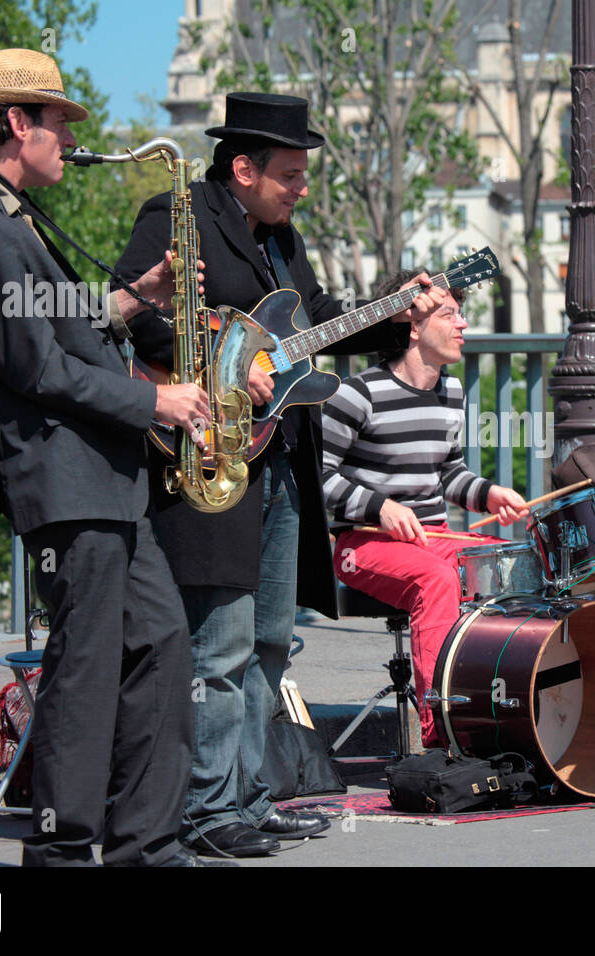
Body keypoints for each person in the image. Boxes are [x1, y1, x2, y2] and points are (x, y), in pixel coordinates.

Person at [115, 93, 446, 856]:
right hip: (210, 455)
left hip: (280, 459)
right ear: (243, 167)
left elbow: (317, 317)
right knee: (220, 646)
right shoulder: (177, 214)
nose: (302, 188)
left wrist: (401, 306)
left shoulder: (280, 237)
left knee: (270, 640)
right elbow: (139, 313)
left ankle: (248, 796)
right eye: (291, 174)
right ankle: (203, 812)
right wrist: (233, 359)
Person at [0, 49, 209, 865]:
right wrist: (157, 401)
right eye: (58, 124)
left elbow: (46, 319)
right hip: (59, 476)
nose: (69, 141)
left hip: (96, 477)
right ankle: (62, 847)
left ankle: (146, 845)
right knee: (86, 665)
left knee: (159, 645)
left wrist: (130, 298)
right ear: (18, 123)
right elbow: (36, 368)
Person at [321, 270, 529, 749]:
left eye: (461, 313)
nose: (463, 325)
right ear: (413, 325)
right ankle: (441, 732)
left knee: (505, 568)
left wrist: (489, 493)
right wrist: (380, 508)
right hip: (363, 543)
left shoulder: (450, 393)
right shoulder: (358, 393)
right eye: (450, 314)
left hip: (433, 537)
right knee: (435, 583)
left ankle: (497, 719)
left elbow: (447, 474)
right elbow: (318, 476)